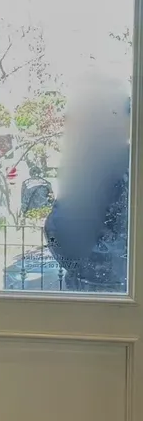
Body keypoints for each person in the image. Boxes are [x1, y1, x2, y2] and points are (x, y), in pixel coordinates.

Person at [44, 79, 131, 292]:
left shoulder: (105, 165)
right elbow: (60, 230)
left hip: (104, 290)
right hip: (100, 290)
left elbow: (60, 232)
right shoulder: (93, 166)